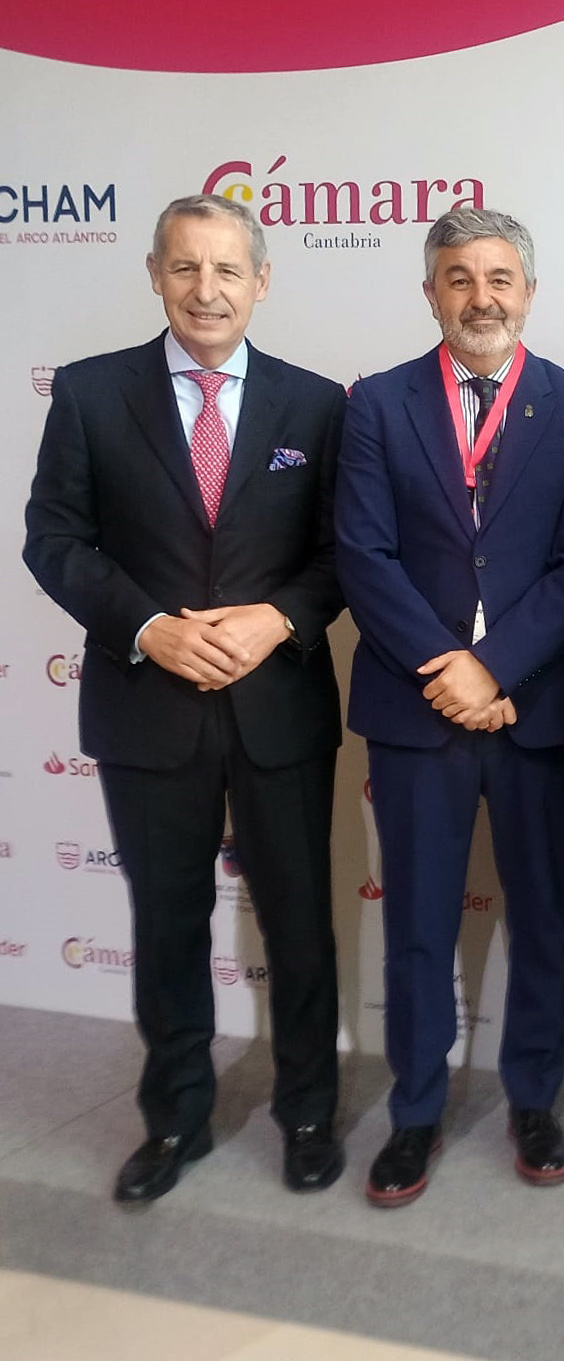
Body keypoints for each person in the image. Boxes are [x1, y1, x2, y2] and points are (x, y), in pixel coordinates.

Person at [23, 193, 348, 1202]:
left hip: (278, 705)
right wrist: (149, 627)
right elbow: (53, 540)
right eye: (186, 267)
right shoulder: (90, 392)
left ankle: (307, 1112)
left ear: (262, 281)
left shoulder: (317, 404)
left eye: (227, 269)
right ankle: (174, 1119)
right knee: (167, 923)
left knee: (299, 920)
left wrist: (280, 618)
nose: (207, 289)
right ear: (156, 275)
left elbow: (344, 553)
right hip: (146, 706)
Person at [336, 206, 564, 1207]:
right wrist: (448, 671)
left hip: (535, 707)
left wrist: (493, 670)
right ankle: (415, 1111)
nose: (481, 297)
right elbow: (362, 554)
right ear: (431, 294)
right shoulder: (377, 403)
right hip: (417, 711)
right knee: (417, 921)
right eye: (459, 278)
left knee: (540, 916)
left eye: (500, 278)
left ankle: (534, 1099)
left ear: (527, 293)